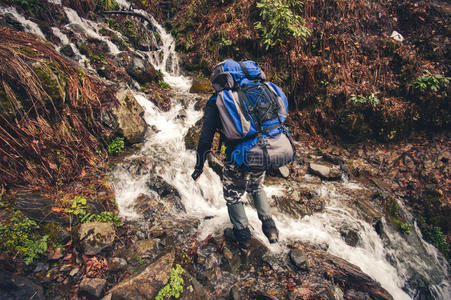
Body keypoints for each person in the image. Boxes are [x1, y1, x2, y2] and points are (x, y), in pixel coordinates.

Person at [191, 93, 279, 250]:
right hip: (262, 150)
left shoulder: (217, 100)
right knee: (256, 187)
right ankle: (270, 228)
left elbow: (205, 139)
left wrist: (199, 166)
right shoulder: (252, 90)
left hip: (237, 155)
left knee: (233, 196)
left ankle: (243, 237)